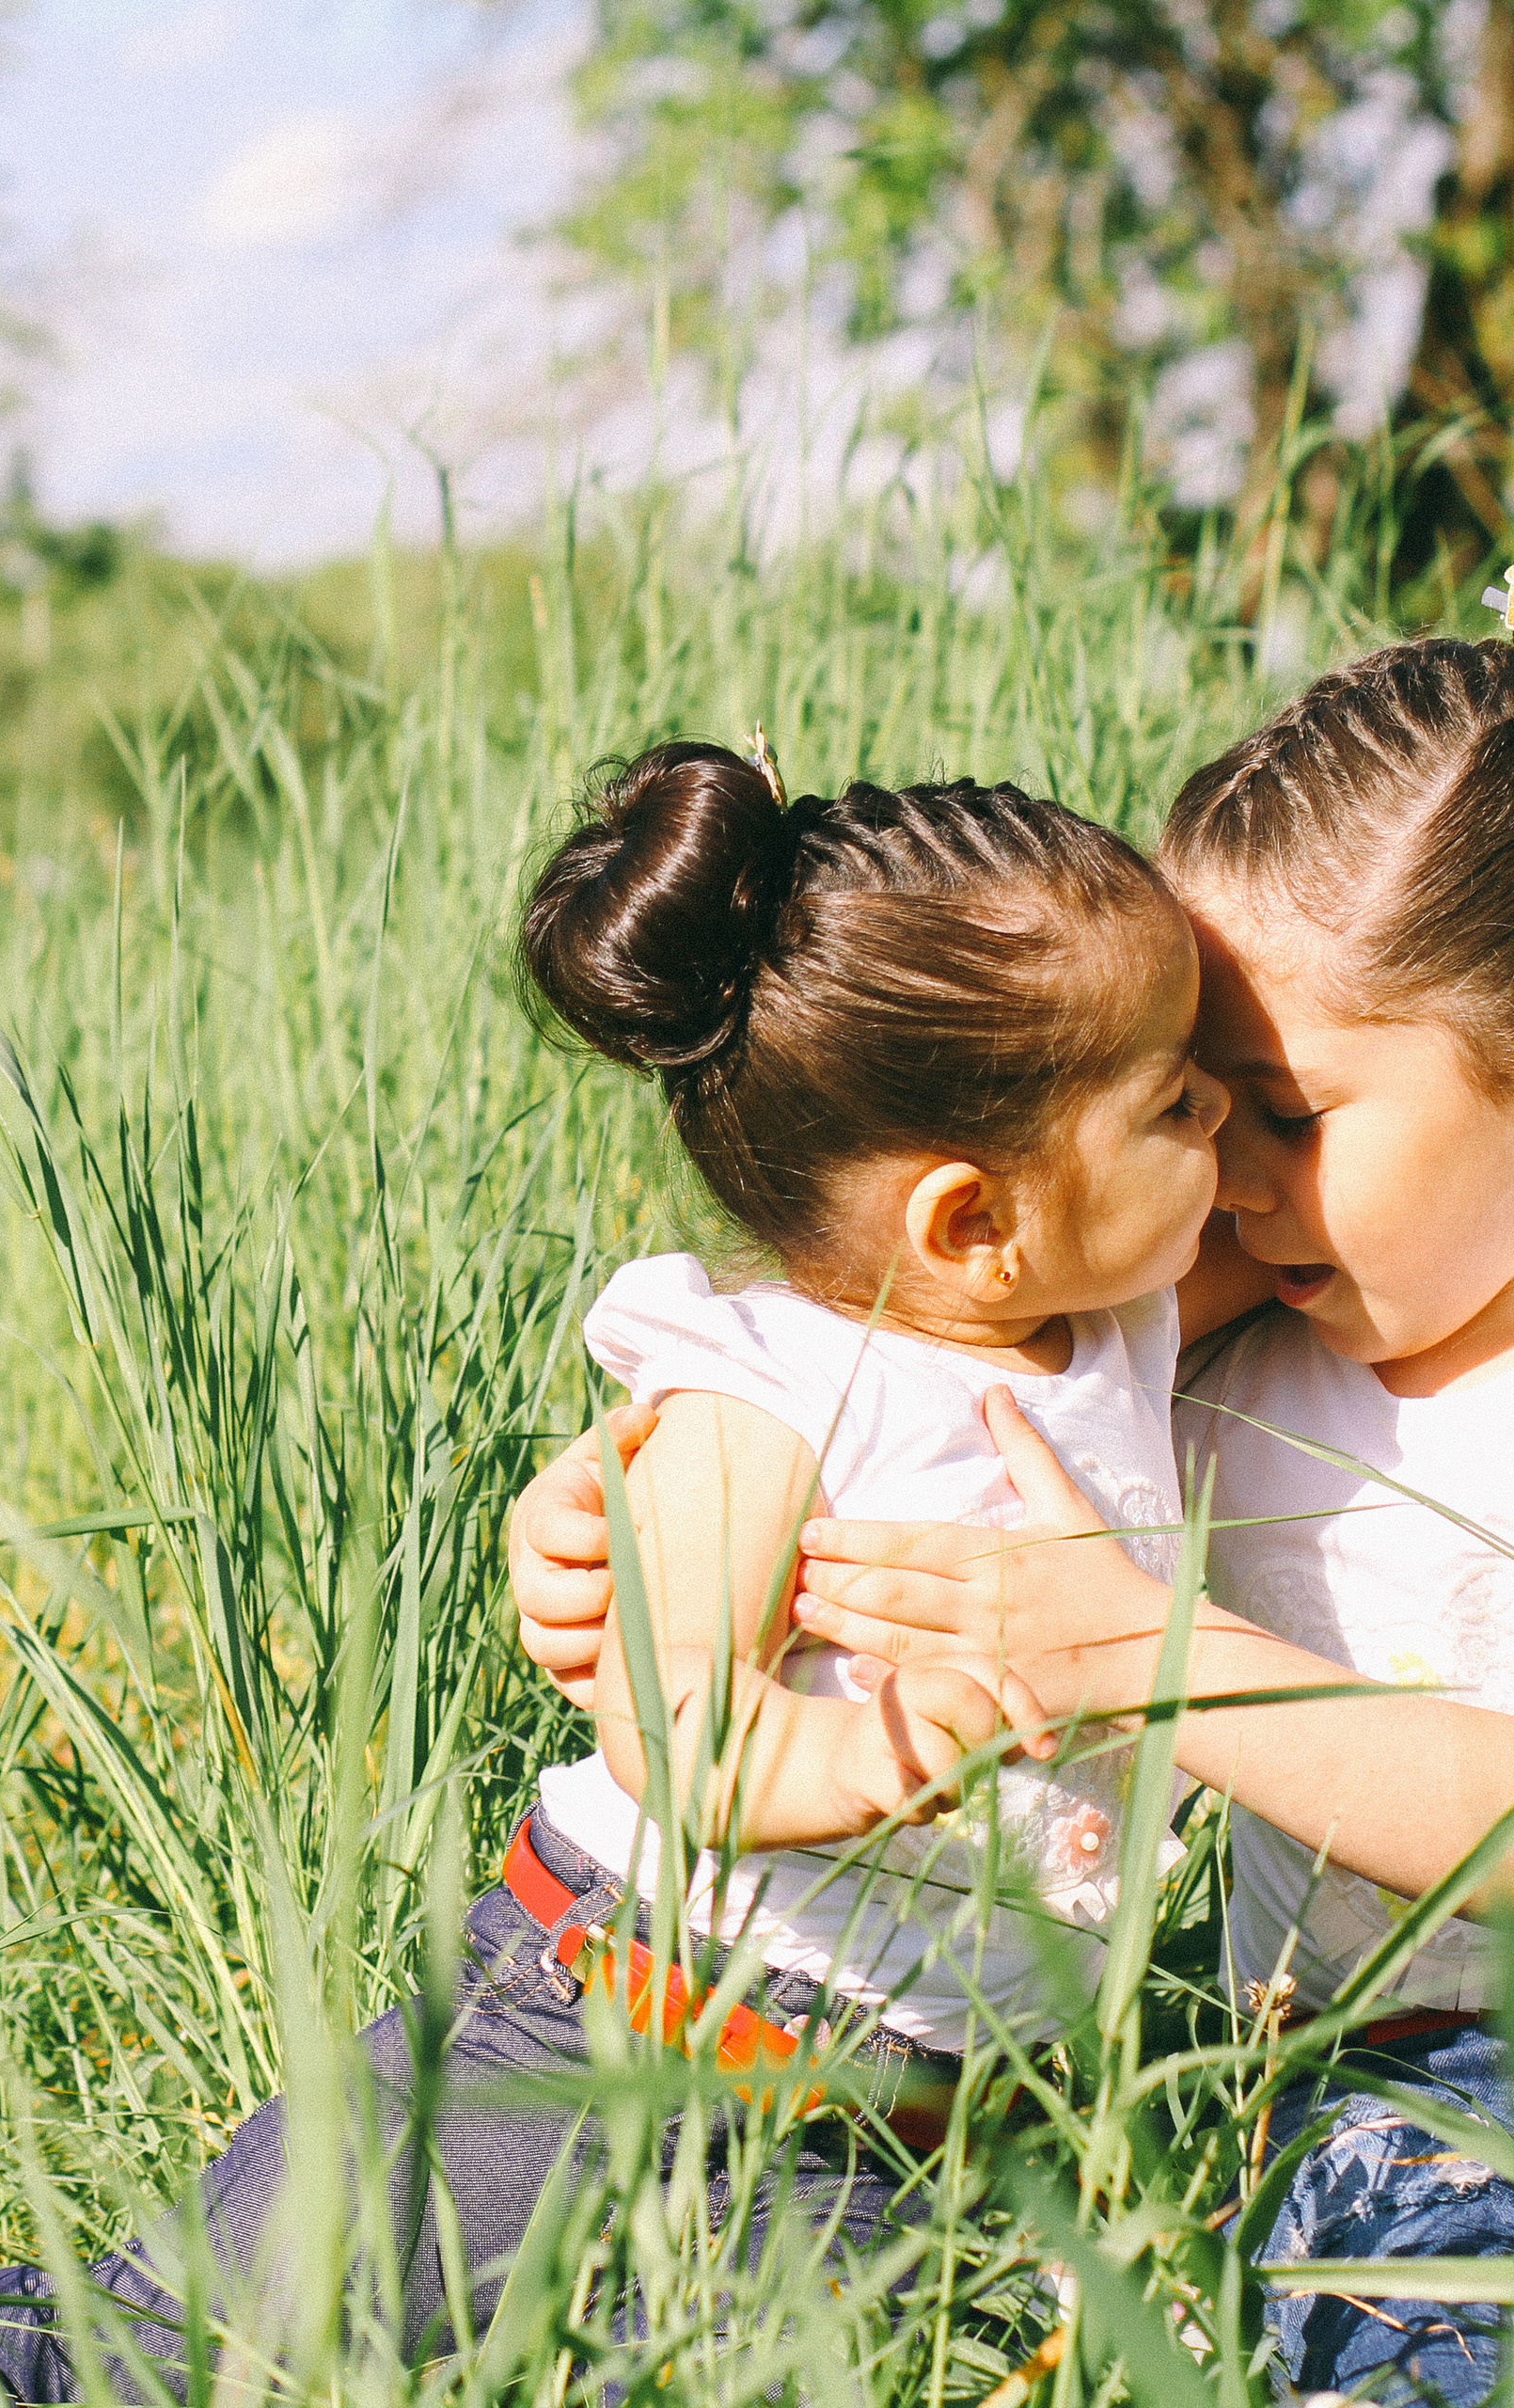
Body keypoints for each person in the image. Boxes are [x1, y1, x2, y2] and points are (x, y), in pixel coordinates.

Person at [0, 736, 1251, 2400]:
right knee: (214, 2348)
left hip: (882, 2108)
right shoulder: (762, 1404)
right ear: (970, 1223)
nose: (1225, 1115)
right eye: (1176, 1098)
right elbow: (671, 1724)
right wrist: (873, 1750)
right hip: (606, 2028)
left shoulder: (1119, 1309)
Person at [510, 639, 1514, 2408]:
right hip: (1326, 2091)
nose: (1228, 1172)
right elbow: (880, 1350)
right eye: (1190, 1102)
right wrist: (632, 1504)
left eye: (1286, 1114)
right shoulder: (1226, 1318)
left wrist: (1140, 1653)